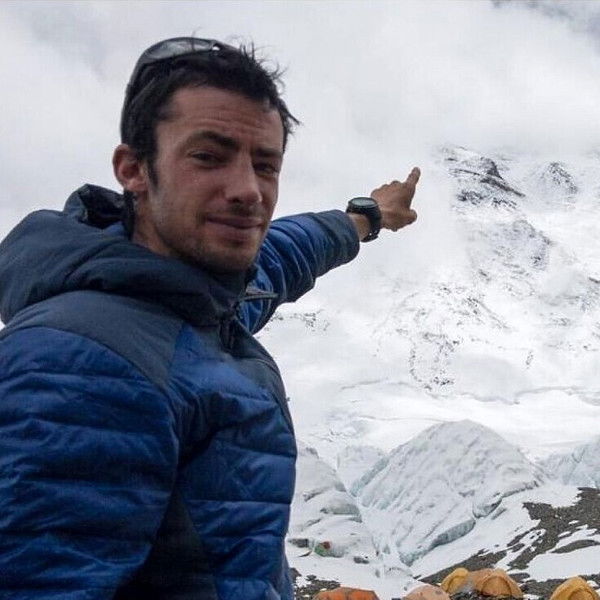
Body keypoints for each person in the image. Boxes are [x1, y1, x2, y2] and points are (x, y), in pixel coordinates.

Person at [0, 37, 420, 599]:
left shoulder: (197, 301)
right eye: (208, 156)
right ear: (134, 169)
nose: (248, 190)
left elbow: (283, 254)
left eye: (265, 165)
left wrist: (366, 218)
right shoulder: (81, 364)